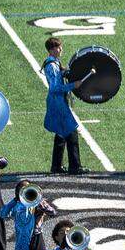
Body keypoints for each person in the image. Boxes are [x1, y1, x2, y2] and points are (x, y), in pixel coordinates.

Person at [42, 36, 95, 175]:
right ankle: (75, 166)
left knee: (61, 134)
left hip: (57, 101)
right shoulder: (51, 65)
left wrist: (67, 73)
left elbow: (60, 76)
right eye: (59, 47)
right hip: (57, 102)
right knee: (71, 132)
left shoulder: (55, 63)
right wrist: (73, 85)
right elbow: (54, 88)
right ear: (52, 49)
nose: (61, 49)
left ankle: (56, 166)